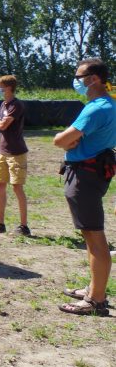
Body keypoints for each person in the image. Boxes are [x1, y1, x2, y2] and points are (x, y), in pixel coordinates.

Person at [53, 58, 116, 316]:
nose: (76, 81)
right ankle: (94, 288)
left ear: (94, 79)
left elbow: (61, 140)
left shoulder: (96, 108)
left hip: (84, 177)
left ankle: (96, 300)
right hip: (94, 174)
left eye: (79, 77)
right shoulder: (109, 104)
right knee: (92, 238)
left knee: (94, 238)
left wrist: (67, 142)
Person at [0, 75, 31, 236]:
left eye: (0, 86)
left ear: (9, 88)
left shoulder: (16, 105)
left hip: (16, 153)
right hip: (2, 152)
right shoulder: (3, 105)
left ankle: (23, 227)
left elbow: (2, 124)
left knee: (17, 187)